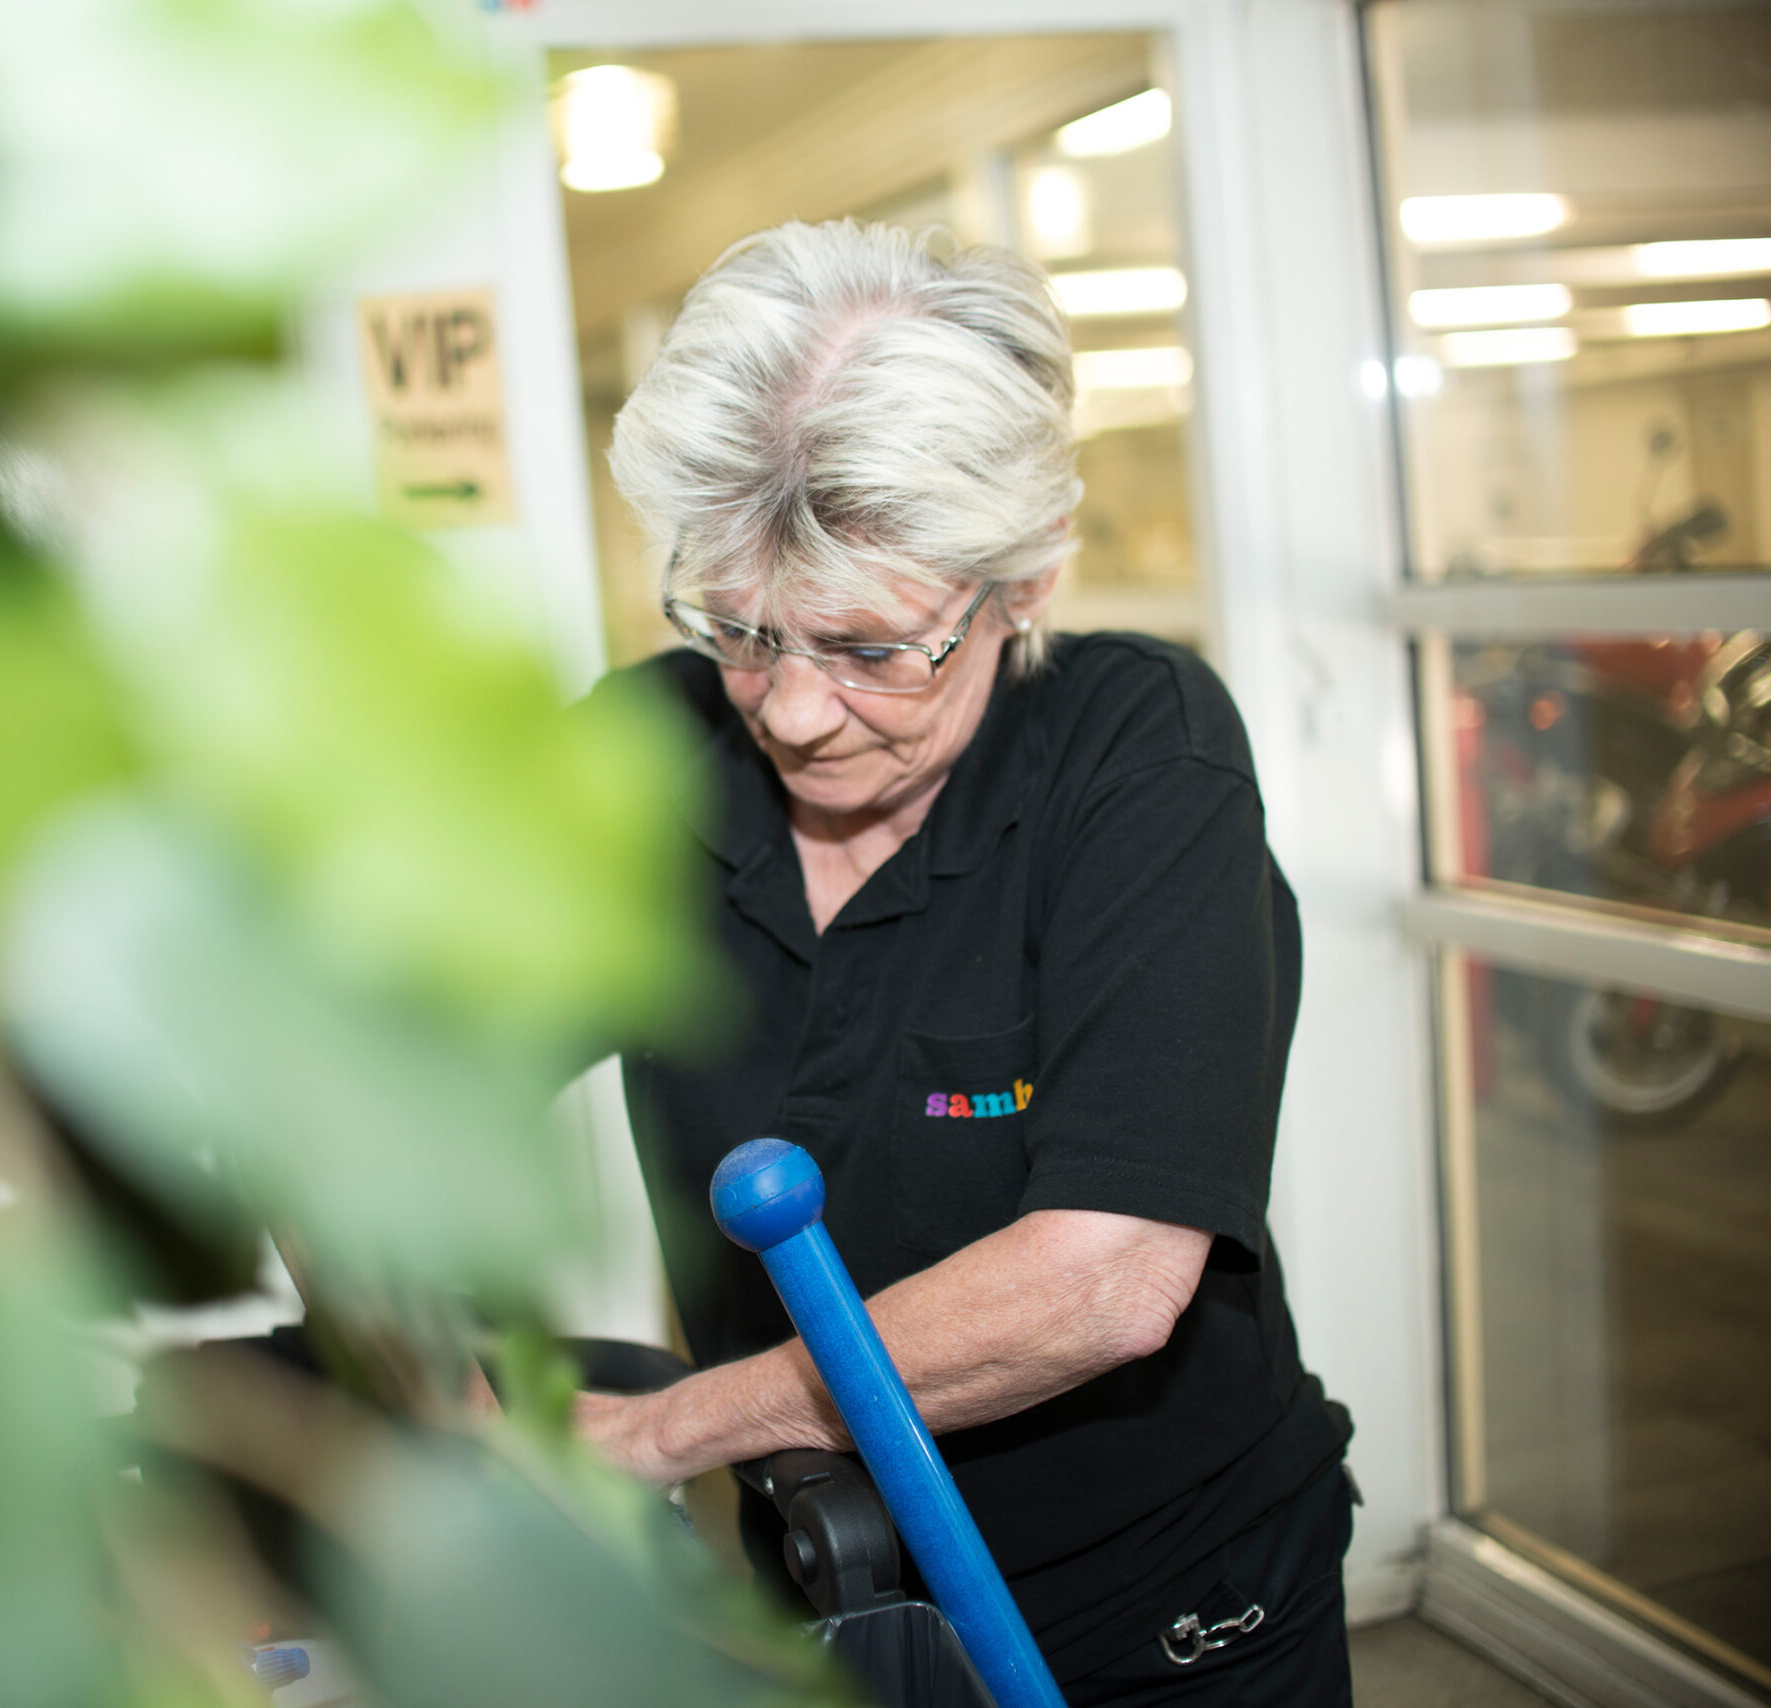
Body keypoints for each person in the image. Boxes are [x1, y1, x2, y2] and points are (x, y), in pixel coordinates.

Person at [569, 221, 1355, 1705]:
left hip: (1160, 1623)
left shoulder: (1138, 755)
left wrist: (665, 1432)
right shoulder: (647, 748)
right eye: (742, 630)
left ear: (1026, 580)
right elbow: (399, 1048)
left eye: (869, 648)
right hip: (819, 1602)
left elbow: (1106, 1278)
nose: (791, 711)